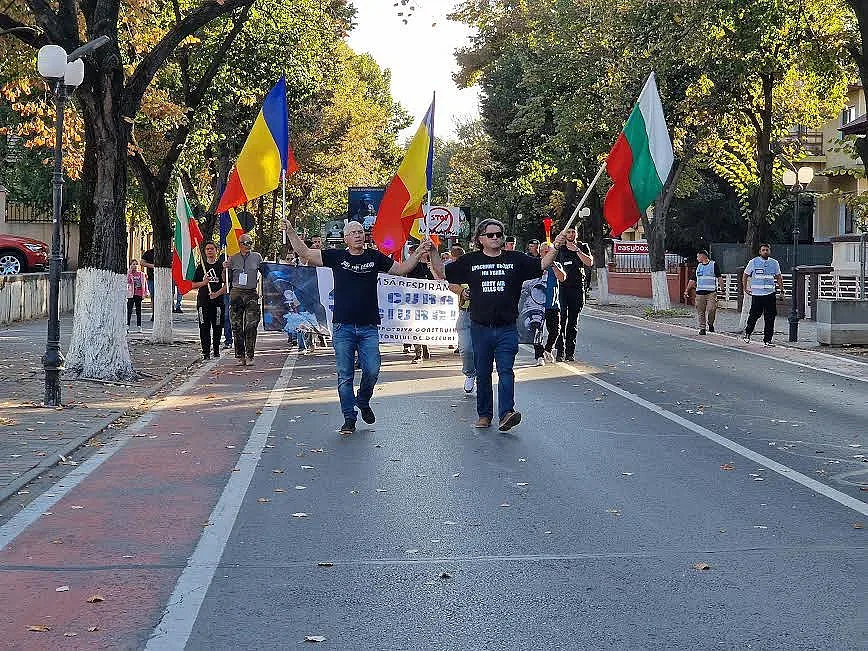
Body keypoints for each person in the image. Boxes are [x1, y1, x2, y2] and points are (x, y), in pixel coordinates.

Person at [284, 218, 434, 436]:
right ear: (345, 238)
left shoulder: (374, 257)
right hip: (343, 327)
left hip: (368, 327)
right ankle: (349, 418)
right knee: (344, 375)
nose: (358, 235)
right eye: (353, 232)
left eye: (361, 231)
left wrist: (419, 251)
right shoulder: (336, 256)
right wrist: (290, 231)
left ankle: (363, 400)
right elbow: (305, 253)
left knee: (372, 370)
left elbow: (401, 269)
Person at [440, 218, 565, 432]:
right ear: (480, 239)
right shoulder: (471, 260)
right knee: (483, 372)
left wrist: (556, 246)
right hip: (480, 327)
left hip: (507, 327)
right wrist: (432, 252)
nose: (496, 238)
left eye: (500, 234)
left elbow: (542, 265)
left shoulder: (515, 259)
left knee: (506, 370)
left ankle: (507, 413)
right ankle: (484, 415)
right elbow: (444, 273)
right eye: (491, 235)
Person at [554, 227, 594, 362]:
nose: (571, 234)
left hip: (577, 288)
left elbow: (589, 262)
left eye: (573, 232)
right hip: (562, 288)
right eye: (568, 232)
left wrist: (577, 251)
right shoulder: (559, 248)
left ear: (576, 233)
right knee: (561, 320)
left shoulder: (582, 246)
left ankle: (570, 352)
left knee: (573, 322)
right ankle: (560, 351)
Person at [225, 234, 264, 366]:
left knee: (251, 325)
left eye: (250, 243)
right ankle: (239, 355)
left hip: (251, 293)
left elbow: (266, 273)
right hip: (236, 293)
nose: (248, 245)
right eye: (245, 243)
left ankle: (250, 354)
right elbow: (226, 279)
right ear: (240, 244)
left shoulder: (257, 257)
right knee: (236, 326)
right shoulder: (233, 258)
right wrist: (224, 268)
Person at [743, 243, 785, 347]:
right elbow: (745, 275)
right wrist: (745, 288)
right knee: (754, 315)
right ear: (760, 252)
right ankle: (748, 333)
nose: (765, 251)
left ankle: (767, 340)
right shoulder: (753, 262)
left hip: (770, 294)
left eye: (767, 250)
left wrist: (782, 291)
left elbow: (779, 277)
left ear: (769, 251)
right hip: (757, 295)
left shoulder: (774, 263)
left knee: (770, 317)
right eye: (763, 250)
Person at [191, 242, 227, 360]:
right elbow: (192, 284)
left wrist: (217, 293)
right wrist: (203, 283)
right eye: (207, 249)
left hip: (217, 302)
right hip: (203, 301)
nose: (209, 251)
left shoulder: (221, 266)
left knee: (217, 326)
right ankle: (206, 352)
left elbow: (227, 284)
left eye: (212, 249)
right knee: (204, 327)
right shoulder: (201, 266)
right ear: (205, 251)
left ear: (216, 250)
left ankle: (216, 350)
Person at [532, 242, 565, 365]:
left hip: (552, 304)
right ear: (540, 253)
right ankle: (539, 356)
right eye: (544, 251)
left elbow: (562, 278)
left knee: (555, 330)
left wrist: (554, 266)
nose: (546, 253)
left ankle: (548, 349)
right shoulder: (535, 265)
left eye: (549, 251)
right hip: (538, 304)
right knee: (537, 332)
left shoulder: (556, 265)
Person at [449, 246, 476, 392]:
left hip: (484, 315)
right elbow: (452, 285)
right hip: (465, 313)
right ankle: (470, 374)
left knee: (482, 349)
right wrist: (462, 291)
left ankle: (483, 376)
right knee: (466, 348)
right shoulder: (460, 269)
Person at [684, 249, 722, 335]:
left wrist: (722, 289)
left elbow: (719, 277)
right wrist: (686, 290)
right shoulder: (698, 267)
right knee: (700, 311)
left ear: (703, 256)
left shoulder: (713, 265)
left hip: (711, 293)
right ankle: (702, 328)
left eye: (698, 256)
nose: (697, 258)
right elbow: (693, 280)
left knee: (712, 309)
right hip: (700, 293)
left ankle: (710, 323)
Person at [126, 260, 148, 333]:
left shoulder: (141, 274)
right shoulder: (129, 274)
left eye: (136, 264)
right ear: (130, 265)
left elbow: (144, 284)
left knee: (138, 311)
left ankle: (139, 326)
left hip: (139, 295)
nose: (135, 266)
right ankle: (127, 325)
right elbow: (128, 281)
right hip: (131, 295)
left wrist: (144, 293)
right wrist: (129, 272)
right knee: (129, 310)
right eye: (133, 264)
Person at [140, 247, 155, 321]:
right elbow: (142, 262)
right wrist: (152, 266)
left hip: (164, 278)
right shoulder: (148, 253)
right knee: (153, 296)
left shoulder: (166, 252)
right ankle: (154, 314)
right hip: (151, 278)